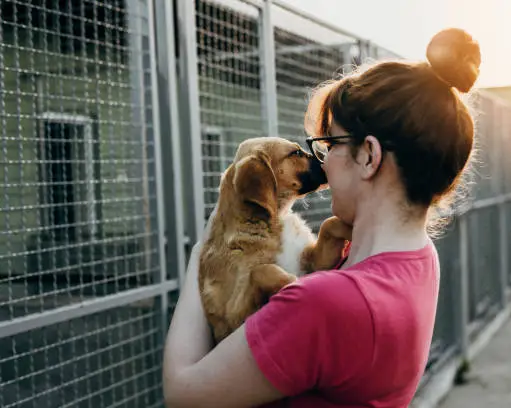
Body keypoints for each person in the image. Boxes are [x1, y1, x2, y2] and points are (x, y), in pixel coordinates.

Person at [163, 27, 481, 408]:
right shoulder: (418, 258)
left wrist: (204, 248)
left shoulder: (323, 305)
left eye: (329, 144)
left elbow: (183, 393)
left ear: (368, 155)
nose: (322, 161)